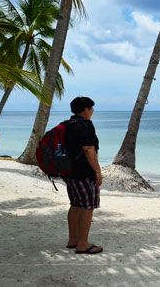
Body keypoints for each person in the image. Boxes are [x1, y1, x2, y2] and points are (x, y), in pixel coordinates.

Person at [64, 96, 103, 254]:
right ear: (86, 110)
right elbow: (88, 149)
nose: (93, 111)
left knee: (76, 205)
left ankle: (73, 239)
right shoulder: (85, 125)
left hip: (69, 172)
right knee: (87, 206)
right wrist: (97, 171)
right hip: (83, 173)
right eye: (91, 108)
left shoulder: (68, 124)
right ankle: (83, 244)